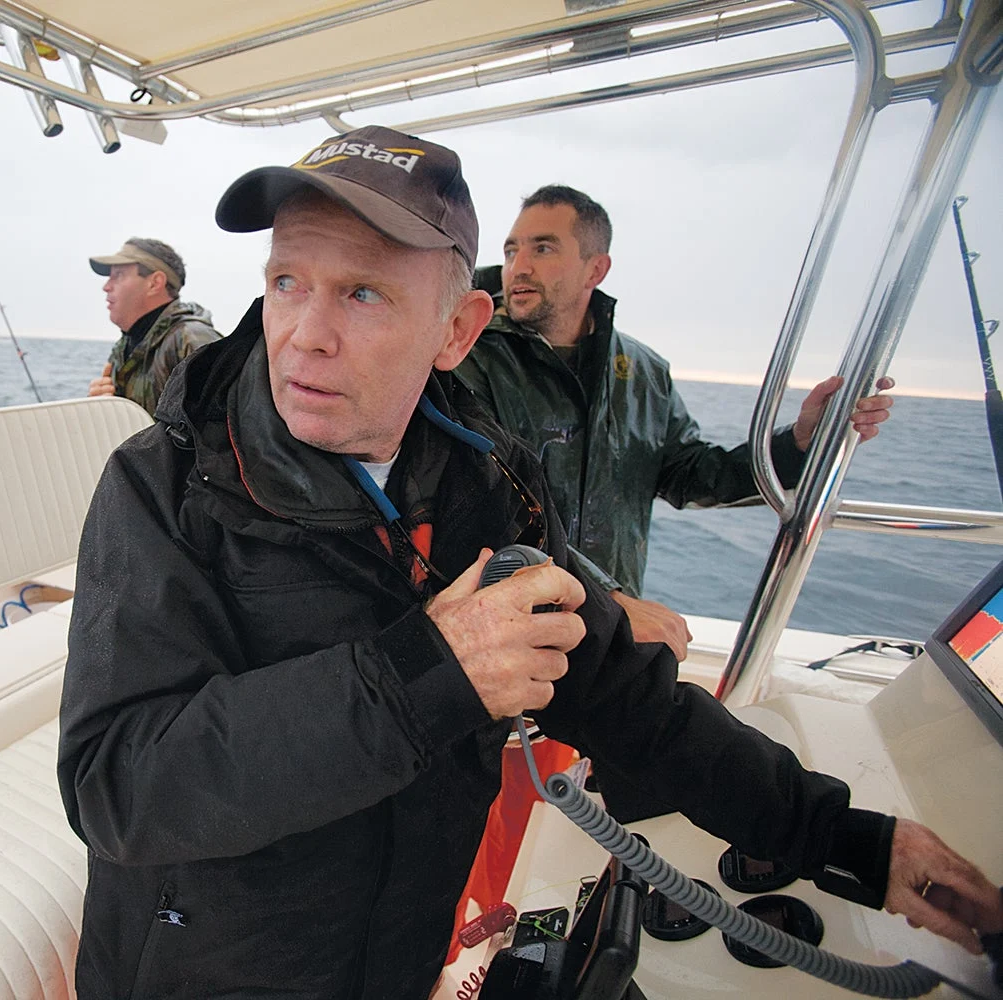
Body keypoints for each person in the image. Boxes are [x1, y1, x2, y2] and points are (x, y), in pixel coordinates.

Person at [57, 127, 1000, 998]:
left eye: (362, 293)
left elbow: (637, 707)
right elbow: (116, 784)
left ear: (457, 331)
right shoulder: (163, 486)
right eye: (288, 281)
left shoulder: (488, 484)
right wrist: (422, 678)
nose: (304, 331)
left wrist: (855, 844)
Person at [459, 186, 895, 660]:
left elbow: (691, 474)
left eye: (542, 248)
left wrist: (800, 443)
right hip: (503, 629)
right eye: (511, 249)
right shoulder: (467, 356)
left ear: (596, 268)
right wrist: (610, 599)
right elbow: (488, 498)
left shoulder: (644, 372)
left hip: (605, 630)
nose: (518, 266)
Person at [84, 237, 219, 414]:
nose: (106, 286)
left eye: (118, 275)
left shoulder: (192, 339)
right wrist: (103, 411)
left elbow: (222, 432)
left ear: (155, 283)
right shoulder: (124, 347)